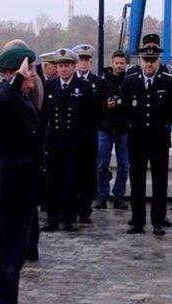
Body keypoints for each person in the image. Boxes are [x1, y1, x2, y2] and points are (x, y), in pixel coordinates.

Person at [0, 48, 44, 304]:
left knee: (17, 255)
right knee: (5, 256)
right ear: (13, 72)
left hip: (23, 188)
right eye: (28, 69)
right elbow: (0, 104)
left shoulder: (21, 98)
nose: (33, 74)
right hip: (6, 189)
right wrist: (16, 78)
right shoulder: (1, 96)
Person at [123, 44, 172, 236]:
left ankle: (158, 220)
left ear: (158, 61)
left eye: (153, 60)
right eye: (146, 60)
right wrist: (132, 124)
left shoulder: (169, 81)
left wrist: (164, 123)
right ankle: (137, 220)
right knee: (137, 181)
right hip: (137, 139)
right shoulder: (130, 80)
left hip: (159, 138)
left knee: (159, 181)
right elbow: (124, 106)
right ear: (140, 60)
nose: (149, 64)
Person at [42, 48, 96, 232]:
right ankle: (52, 218)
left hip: (74, 144)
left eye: (66, 66)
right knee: (52, 183)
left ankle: (69, 218)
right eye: (60, 66)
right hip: (54, 143)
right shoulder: (49, 86)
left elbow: (91, 116)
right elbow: (43, 116)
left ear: (74, 67)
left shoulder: (83, 87)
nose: (63, 69)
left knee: (71, 182)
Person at [71, 43, 104, 224]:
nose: (83, 64)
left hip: (89, 136)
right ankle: (72, 208)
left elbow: (101, 109)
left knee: (87, 173)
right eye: (80, 60)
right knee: (72, 173)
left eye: (86, 60)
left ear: (90, 62)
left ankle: (85, 209)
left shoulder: (98, 83)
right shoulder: (70, 81)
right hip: (72, 135)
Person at [96, 50, 129, 210]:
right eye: (117, 63)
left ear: (125, 64)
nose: (119, 66)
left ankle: (119, 196)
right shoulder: (102, 81)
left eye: (122, 63)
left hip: (123, 128)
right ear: (112, 63)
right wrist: (105, 105)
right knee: (102, 165)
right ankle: (102, 196)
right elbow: (95, 103)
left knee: (124, 165)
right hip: (105, 127)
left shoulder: (129, 81)